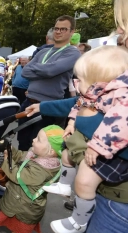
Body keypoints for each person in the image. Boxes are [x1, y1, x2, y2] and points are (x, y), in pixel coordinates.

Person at [24, 2, 128, 233]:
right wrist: (60, 113)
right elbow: (76, 102)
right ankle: (70, 191)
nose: (119, 36)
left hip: (117, 200)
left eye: (122, 27)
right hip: (105, 193)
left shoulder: (119, 94)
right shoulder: (101, 90)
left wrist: (86, 131)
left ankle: (78, 209)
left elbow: (113, 122)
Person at [36, 45, 128, 233]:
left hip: (105, 148)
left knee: (84, 182)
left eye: (81, 80)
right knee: (66, 153)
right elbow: (78, 105)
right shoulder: (95, 92)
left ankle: (79, 221)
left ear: (101, 82)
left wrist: (97, 147)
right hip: (93, 143)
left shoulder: (121, 99)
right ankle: (64, 184)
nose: (76, 83)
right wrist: (71, 123)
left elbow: (117, 126)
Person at [0, 125, 64, 233]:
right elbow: (22, 156)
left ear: (51, 151)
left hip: (23, 209)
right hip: (28, 206)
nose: (33, 139)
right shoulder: (42, 158)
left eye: (38, 139)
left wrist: (5, 160)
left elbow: (17, 175)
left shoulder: (41, 171)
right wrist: (11, 150)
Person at [18, 15, 80, 151]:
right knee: (22, 142)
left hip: (48, 106)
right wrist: (45, 70)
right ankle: (21, 172)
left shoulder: (73, 53)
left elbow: (51, 71)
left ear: (72, 32)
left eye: (63, 29)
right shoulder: (44, 51)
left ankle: (35, 171)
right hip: (28, 102)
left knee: (39, 148)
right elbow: (25, 72)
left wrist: (38, 68)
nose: (58, 32)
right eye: (56, 28)